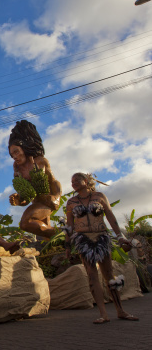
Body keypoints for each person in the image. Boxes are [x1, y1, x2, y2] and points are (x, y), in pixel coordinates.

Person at [65, 173, 138, 324]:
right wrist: (67, 245)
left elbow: (110, 216)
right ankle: (103, 314)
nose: (73, 184)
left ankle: (120, 311)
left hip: (102, 237)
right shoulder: (71, 202)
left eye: (76, 181)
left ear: (85, 181)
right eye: (72, 182)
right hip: (83, 240)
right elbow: (69, 226)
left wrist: (119, 237)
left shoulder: (100, 196)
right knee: (92, 276)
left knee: (109, 275)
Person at [8, 120, 61, 239]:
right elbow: (26, 197)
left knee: (26, 222)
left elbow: (53, 181)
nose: (15, 157)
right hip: (36, 202)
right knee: (39, 228)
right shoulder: (17, 169)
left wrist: (56, 197)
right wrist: (18, 200)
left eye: (16, 152)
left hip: (48, 200)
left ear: (24, 149)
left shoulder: (40, 161)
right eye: (12, 155)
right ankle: (60, 235)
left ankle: (60, 234)